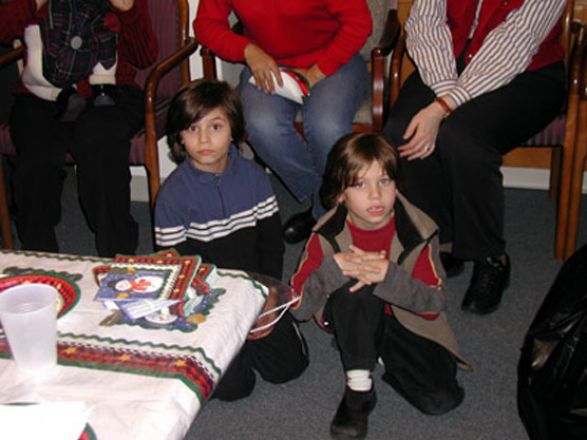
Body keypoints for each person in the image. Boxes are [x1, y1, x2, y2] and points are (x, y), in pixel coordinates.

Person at [383, 0, 567, 314]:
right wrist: (444, 92)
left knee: (463, 138)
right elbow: (425, 22)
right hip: (446, 62)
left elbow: (514, 44)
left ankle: (490, 256)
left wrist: (443, 108)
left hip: (527, 73)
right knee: (401, 131)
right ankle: (441, 238)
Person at [291, 133, 468, 439]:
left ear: (397, 184)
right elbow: (299, 308)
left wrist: (390, 276)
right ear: (340, 195)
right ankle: (359, 389)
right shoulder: (326, 234)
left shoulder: (418, 231)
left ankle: (369, 346)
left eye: (384, 181)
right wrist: (333, 270)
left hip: (405, 319)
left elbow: (434, 304)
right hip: (350, 308)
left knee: (441, 400)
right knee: (354, 287)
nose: (375, 195)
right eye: (360, 184)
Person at [154, 79, 308, 401]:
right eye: (192, 128)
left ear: (234, 130)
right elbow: (180, 269)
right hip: (209, 301)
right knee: (234, 388)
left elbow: (271, 244)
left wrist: (267, 296)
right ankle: (227, 347)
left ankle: (247, 340)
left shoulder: (255, 179)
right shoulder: (172, 196)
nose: (204, 139)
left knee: (290, 368)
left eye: (216, 126)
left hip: (255, 290)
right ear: (179, 136)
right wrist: (215, 312)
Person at [194, 0, 372, 244]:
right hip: (269, 64)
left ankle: (327, 211)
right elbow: (206, 25)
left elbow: (359, 23)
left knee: (326, 126)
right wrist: (247, 50)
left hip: (332, 59)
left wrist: (316, 73)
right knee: (260, 124)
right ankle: (328, 200)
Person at [1, 0, 158, 257]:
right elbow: (4, 29)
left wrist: (128, 10)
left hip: (108, 90)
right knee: (34, 160)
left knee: (99, 143)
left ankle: (117, 257)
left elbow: (145, 56)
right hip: (43, 91)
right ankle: (41, 259)